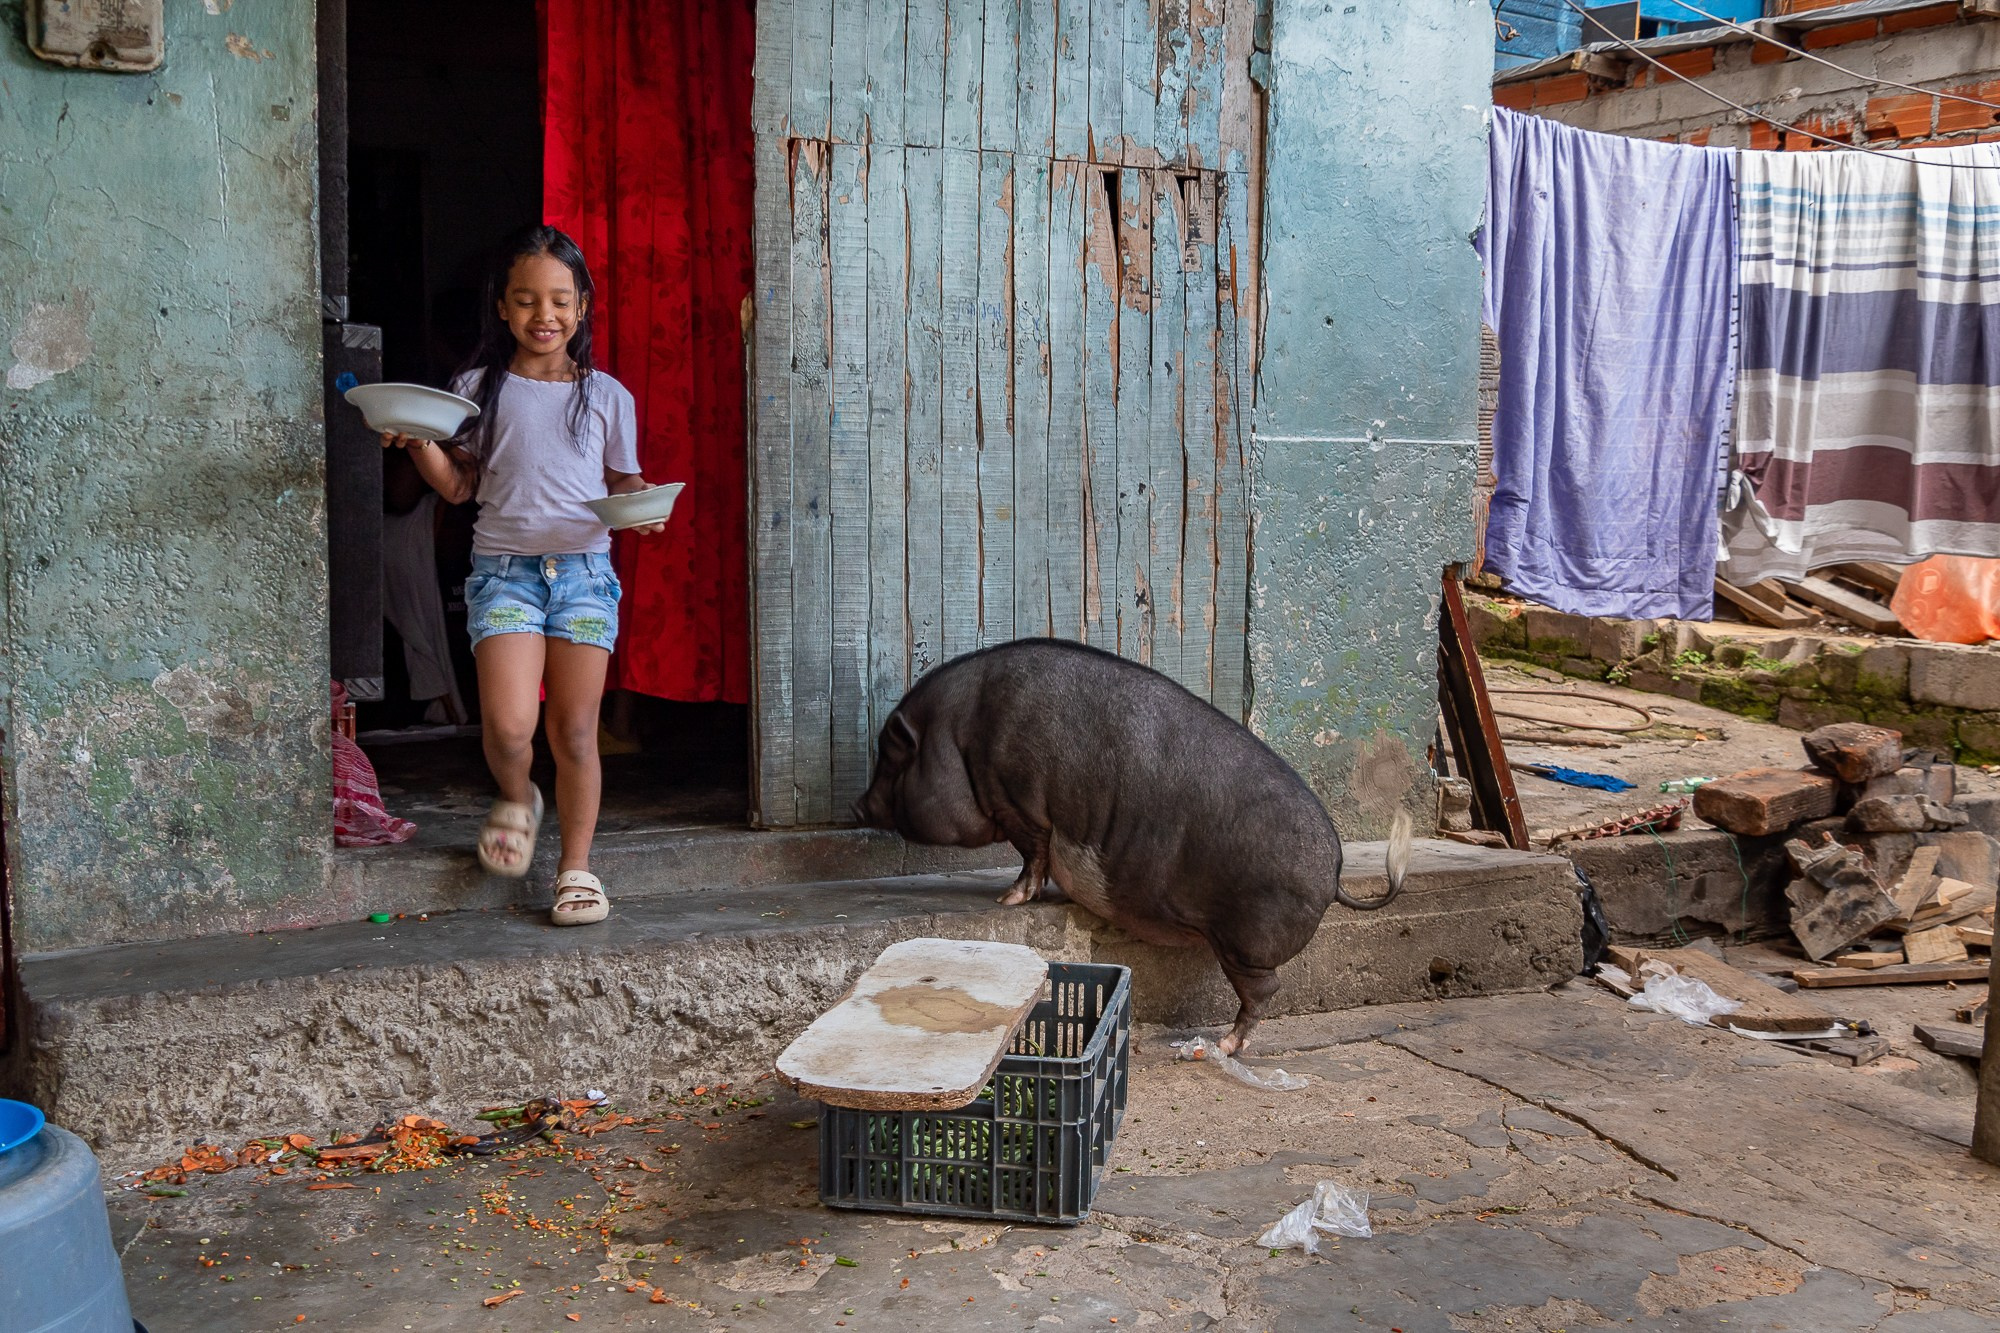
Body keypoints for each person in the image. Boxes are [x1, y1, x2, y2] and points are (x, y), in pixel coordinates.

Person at [382, 224, 665, 926]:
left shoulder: (607, 395)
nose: (545, 315)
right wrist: (419, 442)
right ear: (503, 308)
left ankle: (576, 870)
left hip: (584, 575)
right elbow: (457, 486)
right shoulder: (478, 387)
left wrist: (640, 501)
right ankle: (517, 795)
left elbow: (621, 475)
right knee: (511, 729)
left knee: (575, 733)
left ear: (584, 306)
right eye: (527, 299)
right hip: (504, 574)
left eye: (560, 300)